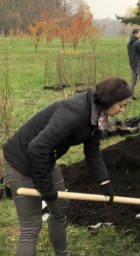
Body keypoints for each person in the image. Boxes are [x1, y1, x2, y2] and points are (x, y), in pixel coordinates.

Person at [2, 77, 131, 256]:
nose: (123, 110)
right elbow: (37, 148)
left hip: (45, 158)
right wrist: (45, 188)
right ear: (109, 100)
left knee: (60, 208)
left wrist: (105, 182)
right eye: (121, 105)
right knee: (31, 225)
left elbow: (92, 151)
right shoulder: (75, 112)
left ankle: (63, 254)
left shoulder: (98, 114)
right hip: (21, 161)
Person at [127, 29, 140, 100]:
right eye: (139, 33)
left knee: (133, 80)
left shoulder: (129, 43)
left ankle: (130, 96)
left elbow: (134, 53)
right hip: (139, 64)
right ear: (135, 34)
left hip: (132, 63)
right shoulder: (138, 43)